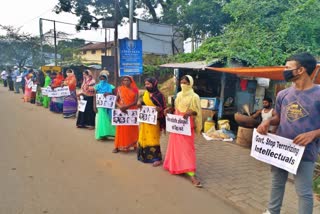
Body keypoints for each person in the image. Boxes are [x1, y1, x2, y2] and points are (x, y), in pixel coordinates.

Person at [258, 53, 320, 214]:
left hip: (305, 151)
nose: (284, 70)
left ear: (300, 70)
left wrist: (313, 134)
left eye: (287, 67)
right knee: (277, 183)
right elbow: (278, 117)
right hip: (282, 148)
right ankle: (272, 211)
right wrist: (267, 121)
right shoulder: (283, 94)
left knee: (303, 191)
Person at [163, 75, 203, 187]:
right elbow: (176, 108)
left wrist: (191, 112)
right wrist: (168, 110)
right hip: (176, 124)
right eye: (181, 82)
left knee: (187, 149)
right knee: (175, 147)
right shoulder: (179, 95)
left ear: (190, 84)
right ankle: (175, 166)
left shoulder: (195, 96)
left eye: (185, 83)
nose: (183, 84)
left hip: (186, 125)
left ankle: (191, 174)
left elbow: (197, 112)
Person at [137, 77, 166, 167]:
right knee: (143, 137)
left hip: (154, 121)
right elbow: (143, 102)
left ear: (154, 84)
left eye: (148, 84)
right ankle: (143, 156)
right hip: (145, 121)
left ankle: (157, 158)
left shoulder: (159, 95)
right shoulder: (146, 93)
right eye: (145, 84)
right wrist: (139, 103)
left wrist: (159, 109)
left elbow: (163, 107)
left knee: (153, 138)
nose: (147, 86)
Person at [113, 76, 139, 153]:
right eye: (124, 80)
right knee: (120, 129)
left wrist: (126, 107)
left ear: (131, 81)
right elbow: (116, 100)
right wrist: (120, 106)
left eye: (127, 80)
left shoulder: (135, 90)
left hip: (131, 111)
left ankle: (134, 145)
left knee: (132, 128)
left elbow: (135, 101)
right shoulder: (120, 89)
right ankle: (117, 146)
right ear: (122, 82)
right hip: (121, 111)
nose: (126, 81)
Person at [93, 70, 116, 140]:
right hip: (100, 106)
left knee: (109, 119)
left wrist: (109, 93)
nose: (102, 79)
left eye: (104, 78)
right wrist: (94, 106)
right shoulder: (96, 87)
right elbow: (94, 97)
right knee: (101, 119)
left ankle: (111, 133)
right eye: (101, 78)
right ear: (99, 79)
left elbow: (115, 95)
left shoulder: (111, 87)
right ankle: (102, 134)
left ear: (106, 79)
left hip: (109, 106)